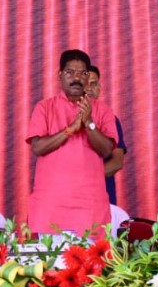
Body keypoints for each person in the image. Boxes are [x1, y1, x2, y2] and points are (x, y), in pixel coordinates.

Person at [26, 50, 118, 238]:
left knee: (93, 257)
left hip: (90, 208)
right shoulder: (44, 107)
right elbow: (37, 147)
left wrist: (89, 122)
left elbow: (107, 150)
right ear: (60, 75)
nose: (76, 78)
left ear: (88, 77)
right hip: (50, 207)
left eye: (82, 73)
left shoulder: (103, 111)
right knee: (49, 257)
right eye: (70, 72)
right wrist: (70, 129)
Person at [86, 65, 128, 206]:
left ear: (99, 88)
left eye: (93, 84)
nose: (89, 88)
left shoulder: (112, 120)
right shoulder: (64, 118)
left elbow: (117, 162)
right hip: (70, 198)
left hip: (103, 199)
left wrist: (84, 178)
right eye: (85, 84)